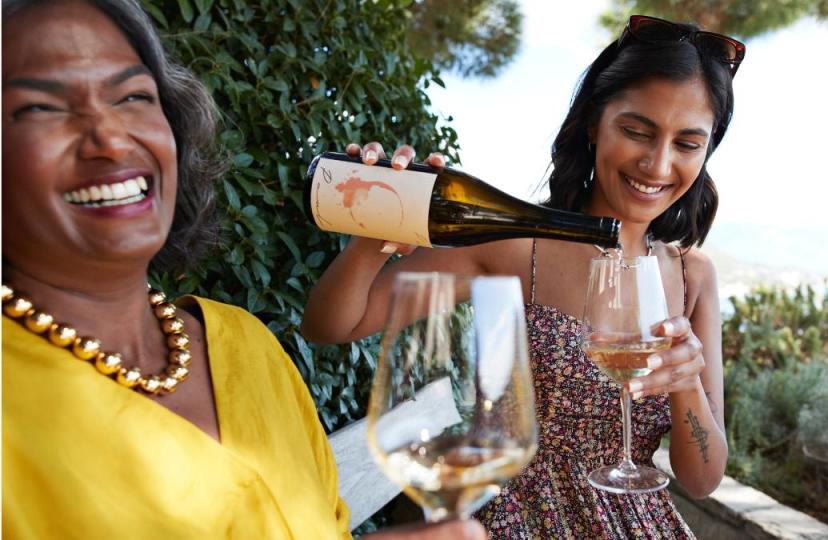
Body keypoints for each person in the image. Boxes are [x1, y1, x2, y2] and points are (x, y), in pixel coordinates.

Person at [1, 1, 486, 538]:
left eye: (134, 97)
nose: (111, 138)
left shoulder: (245, 344)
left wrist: (374, 242)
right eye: (40, 108)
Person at [303, 14, 745, 538]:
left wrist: (687, 377)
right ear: (592, 123)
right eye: (636, 130)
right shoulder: (516, 245)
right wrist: (376, 230)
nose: (657, 162)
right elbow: (331, 325)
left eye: (688, 143)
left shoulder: (693, 277)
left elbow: (702, 478)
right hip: (515, 520)